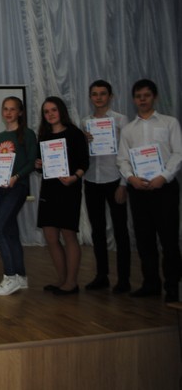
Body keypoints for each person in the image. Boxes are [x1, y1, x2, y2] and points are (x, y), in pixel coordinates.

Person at [117, 79, 181, 303]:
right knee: (144, 239)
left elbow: (178, 153)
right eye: (138, 96)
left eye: (146, 95)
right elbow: (122, 159)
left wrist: (164, 176)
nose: (142, 100)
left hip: (164, 188)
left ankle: (172, 286)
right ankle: (150, 283)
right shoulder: (128, 129)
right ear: (134, 99)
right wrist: (130, 178)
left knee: (169, 239)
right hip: (139, 189)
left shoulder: (169, 123)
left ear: (155, 97)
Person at [35, 97, 89, 295]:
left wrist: (74, 177)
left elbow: (84, 162)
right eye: (46, 111)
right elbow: (41, 166)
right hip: (49, 190)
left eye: (53, 110)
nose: (50, 114)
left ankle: (71, 282)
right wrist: (38, 165)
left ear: (61, 111)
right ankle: (61, 279)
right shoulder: (44, 136)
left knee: (68, 235)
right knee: (50, 236)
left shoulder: (75, 133)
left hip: (69, 189)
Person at [81, 80, 130, 293]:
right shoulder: (85, 122)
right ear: (90, 97)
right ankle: (102, 276)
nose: (98, 97)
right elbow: (82, 155)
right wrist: (83, 142)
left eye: (102, 93)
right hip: (92, 180)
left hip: (115, 180)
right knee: (97, 231)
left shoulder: (120, 120)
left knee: (120, 231)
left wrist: (124, 184)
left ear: (110, 96)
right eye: (94, 94)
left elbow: (127, 153)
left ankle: (124, 279)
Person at [0, 96, 37, 296]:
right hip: (1, 189)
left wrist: (16, 177)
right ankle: (21, 276)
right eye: (5, 109)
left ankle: (9, 276)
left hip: (18, 187)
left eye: (12, 109)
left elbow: (32, 161)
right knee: (10, 231)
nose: (8, 113)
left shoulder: (27, 134)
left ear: (20, 112)